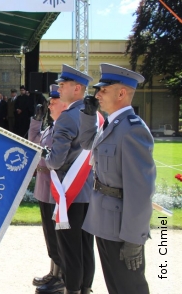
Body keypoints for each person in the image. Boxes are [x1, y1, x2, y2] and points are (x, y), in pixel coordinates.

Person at [78, 63, 153, 294]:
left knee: (129, 287)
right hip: (105, 219)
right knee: (115, 285)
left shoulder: (132, 129)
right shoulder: (112, 124)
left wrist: (134, 238)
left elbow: (141, 190)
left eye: (103, 90)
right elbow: (87, 144)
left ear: (121, 93)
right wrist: (89, 116)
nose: (97, 94)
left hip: (123, 226)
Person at [41, 64, 95, 294]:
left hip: (68, 194)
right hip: (88, 191)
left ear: (78, 88)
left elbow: (55, 161)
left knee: (70, 251)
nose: (60, 88)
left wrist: (46, 155)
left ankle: (72, 290)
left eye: (64, 85)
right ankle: (86, 289)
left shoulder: (66, 117)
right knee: (85, 247)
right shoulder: (94, 116)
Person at [28, 85, 67, 291]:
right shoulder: (51, 128)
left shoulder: (64, 128)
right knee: (50, 235)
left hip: (56, 190)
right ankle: (53, 272)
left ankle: (60, 277)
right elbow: (33, 141)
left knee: (57, 236)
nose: (49, 105)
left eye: (53, 102)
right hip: (44, 188)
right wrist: (37, 120)